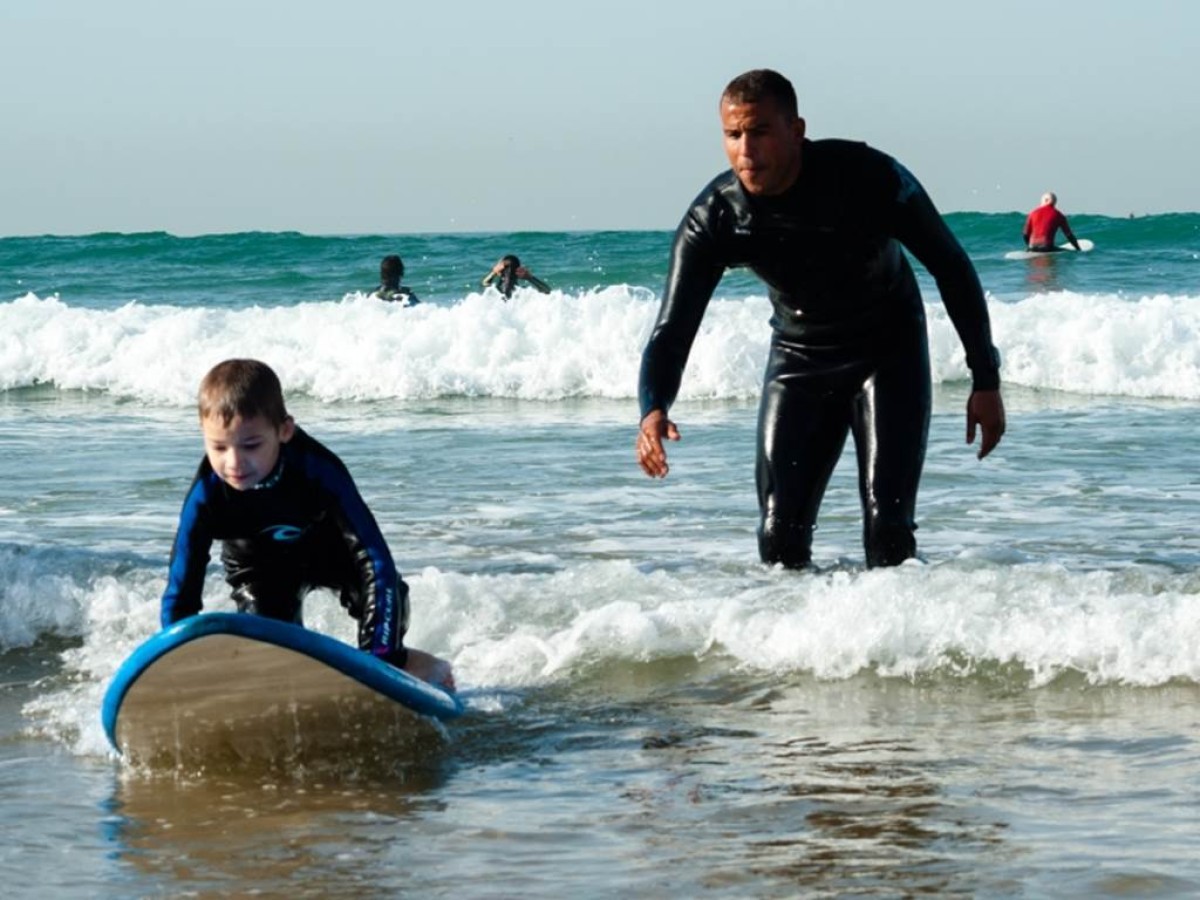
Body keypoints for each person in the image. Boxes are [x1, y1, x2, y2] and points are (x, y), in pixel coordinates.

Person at [635, 69, 1006, 570]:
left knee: (888, 534)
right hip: (799, 359)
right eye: (732, 135)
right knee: (778, 538)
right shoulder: (718, 216)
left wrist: (986, 379)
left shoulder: (869, 178)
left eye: (760, 131)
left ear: (796, 130)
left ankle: (896, 643)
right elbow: (673, 327)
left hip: (887, 350)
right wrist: (653, 408)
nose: (746, 150)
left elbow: (951, 266)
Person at [160, 358, 454, 689]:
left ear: (284, 430)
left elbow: (376, 563)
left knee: (389, 612)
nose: (234, 462)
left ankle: (423, 669)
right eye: (218, 447)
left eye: (251, 445)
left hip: (332, 552)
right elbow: (181, 589)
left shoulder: (317, 469)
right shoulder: (206, 495)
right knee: (268, 654)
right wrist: (176, 667)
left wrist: (380, 661)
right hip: (257, 567)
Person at [481, 254, 551, 299]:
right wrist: (530, 278)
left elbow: (484, 283)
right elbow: (547, 291)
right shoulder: (521, 292)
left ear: (500, 269)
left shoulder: (494, 291)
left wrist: (493, 272)